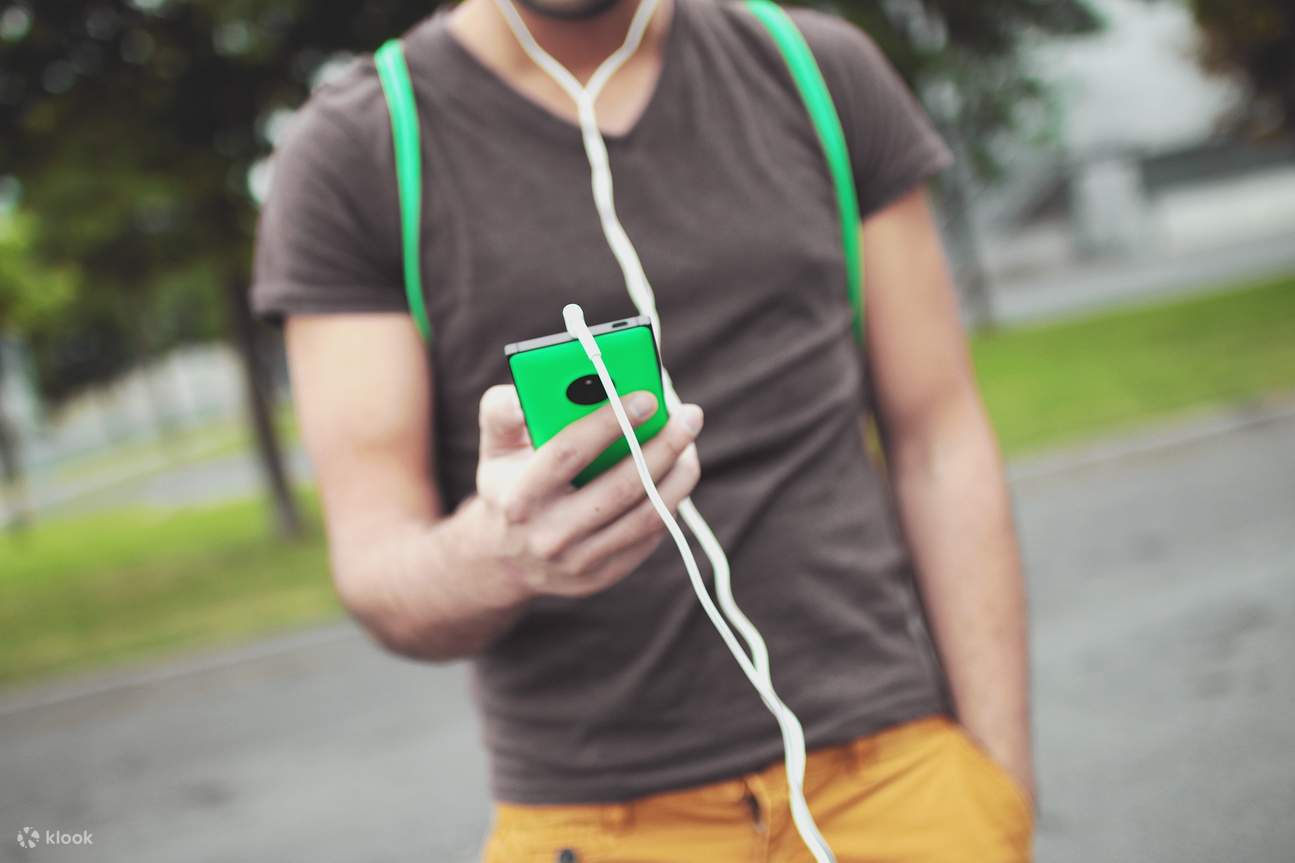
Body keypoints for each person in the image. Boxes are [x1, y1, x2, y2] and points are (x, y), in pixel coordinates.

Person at [252, 0, 1033, 858]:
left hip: (902, 777)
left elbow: (938, 441)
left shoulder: (817, 70)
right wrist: (499, 556)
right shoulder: (358, 151)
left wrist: (999, 788)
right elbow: (373, 566)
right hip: (598, 823)